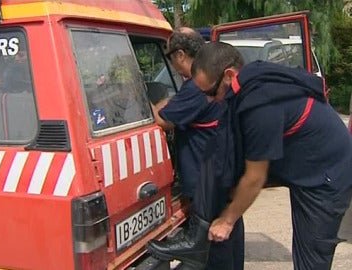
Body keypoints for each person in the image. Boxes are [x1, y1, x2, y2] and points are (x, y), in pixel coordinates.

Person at [190, 41, 352, 269]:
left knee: (311, 257)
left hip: (326, 176)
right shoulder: (251, 79)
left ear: (229, 75)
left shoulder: (261, 104)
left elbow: (255, 178)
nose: (209, 100)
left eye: (210, 92)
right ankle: (197, 237)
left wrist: (228, 220)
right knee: (227, 178)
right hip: (298, 157)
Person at [147, 28, 244, 269]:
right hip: (225, 176)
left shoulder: (197, 87)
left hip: (207, 180)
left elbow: (162, 118)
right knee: (230, 242)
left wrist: (139, 99)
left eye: (170, 57)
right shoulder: (210, 80)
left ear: (180, 55)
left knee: (214, 249)